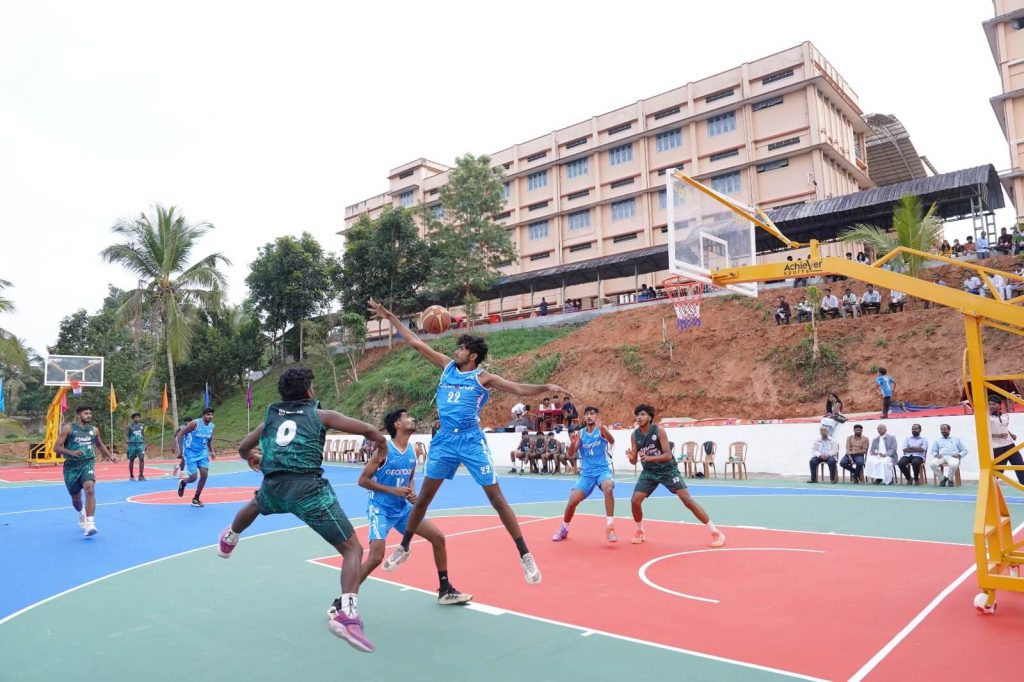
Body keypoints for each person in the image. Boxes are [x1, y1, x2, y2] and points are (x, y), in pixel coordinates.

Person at [369, 298, 570, 584]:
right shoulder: (447, 367)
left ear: (473, 355)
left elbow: (517, 388)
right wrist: (390, 317)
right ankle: (404, 547)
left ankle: (525, 554)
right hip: (444, 441)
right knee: (423, 498)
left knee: (496, 498)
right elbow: (415, 342)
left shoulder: (483, 377)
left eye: (461, 348)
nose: (456, 351)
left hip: (471, 440)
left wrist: (546, 386)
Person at [216, 367, 385, 653]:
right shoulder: (320, 415)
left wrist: (253, 456)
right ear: (309, 391)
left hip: (273, 487)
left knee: (256, 504)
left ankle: (230, 537)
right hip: (308, 491)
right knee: (352, 550)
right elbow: (369, 430)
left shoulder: (271, 418)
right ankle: (347, 614)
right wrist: (381, 444)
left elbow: (243, 448)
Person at [359, 408, 472, 606]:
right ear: (397, 424)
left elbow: (409, 478)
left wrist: (411, 493)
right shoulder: (384, 451)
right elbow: (363, 480)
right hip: (380, 508)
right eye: (407, 417)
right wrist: (394, 491)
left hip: (402, 509)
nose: (412, 419)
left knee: (438, 538)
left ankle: (445, 590)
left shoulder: (412, 450)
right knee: (376, 556)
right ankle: (343, 599)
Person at [626, 404, 724, 547]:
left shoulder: (659, 431)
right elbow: (634, 460)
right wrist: (631, 458)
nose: (639, 417)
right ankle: (640, 531)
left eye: (642, 414)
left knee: (687, 500)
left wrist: (650, 458)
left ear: (650, 417)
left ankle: (715, 532)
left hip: (668, 470)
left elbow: (667, 455)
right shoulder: (635, 435)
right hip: (649, 472)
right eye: (637, 415)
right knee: (635, 500)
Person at [552, 407, 617, 543]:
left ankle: (610, 526)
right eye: (587, 414)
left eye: (592, 414)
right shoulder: (580, 434)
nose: (589, 416)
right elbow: (570, 454)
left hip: (602, 470)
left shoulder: (601, 430)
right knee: (572, 501)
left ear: (597, 416)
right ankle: (564, 528)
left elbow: (611, 441)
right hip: (586, 474)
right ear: (584, 417)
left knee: (608, 488)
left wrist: (603, 428)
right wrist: (573, 443)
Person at [55, 405, 113, 537]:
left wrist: (110, 456)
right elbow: (56, 447)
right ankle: (81, 512)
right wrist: (71, 452)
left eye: (90, 413)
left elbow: (99, 445)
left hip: (87, 463)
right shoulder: (68, 428)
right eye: (86, 413)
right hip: (71, 467)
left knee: (90, 489)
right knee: (76, 499)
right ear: (79, 415)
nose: (89, 416)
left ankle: (90, 523)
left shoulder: (94, 430)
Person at [176, 407, 215, 507]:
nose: (210, 416)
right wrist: (180, 450)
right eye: (208, 414)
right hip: (190, 452)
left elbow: (209, 441)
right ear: (203, 415)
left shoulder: (212, 426)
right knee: (193, 477)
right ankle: (183, 483)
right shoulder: (195, 423)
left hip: (202, 453)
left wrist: (212, 451)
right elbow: (180, 434)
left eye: (211, 414)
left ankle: (196, 498)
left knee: (204, 474)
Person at [989, 395, 1023, 485]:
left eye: (994, 404)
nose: (991, 406)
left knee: (1020, 467)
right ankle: (990, 490)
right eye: (990, 404)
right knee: (997, 473)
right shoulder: (987, 418)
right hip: (997, 448)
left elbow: (1004, 428)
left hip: (1010, 445)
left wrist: (1011, 434)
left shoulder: (1005, 416)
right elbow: (983, 433)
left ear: (1000, 405)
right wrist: (998, 435)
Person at [126, 411, 146, 481]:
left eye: (138, 417)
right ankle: (131, 475)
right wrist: (127, 440)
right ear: (133, 418)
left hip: (140, 444)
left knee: (142, 459)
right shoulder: (130, 426)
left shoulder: (142, 425)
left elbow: (143, 435)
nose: (137, 418)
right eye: (135, 417)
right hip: (132, 444)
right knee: (131, 460)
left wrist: (145, 443)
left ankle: (141, 475)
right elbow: (126, 435)